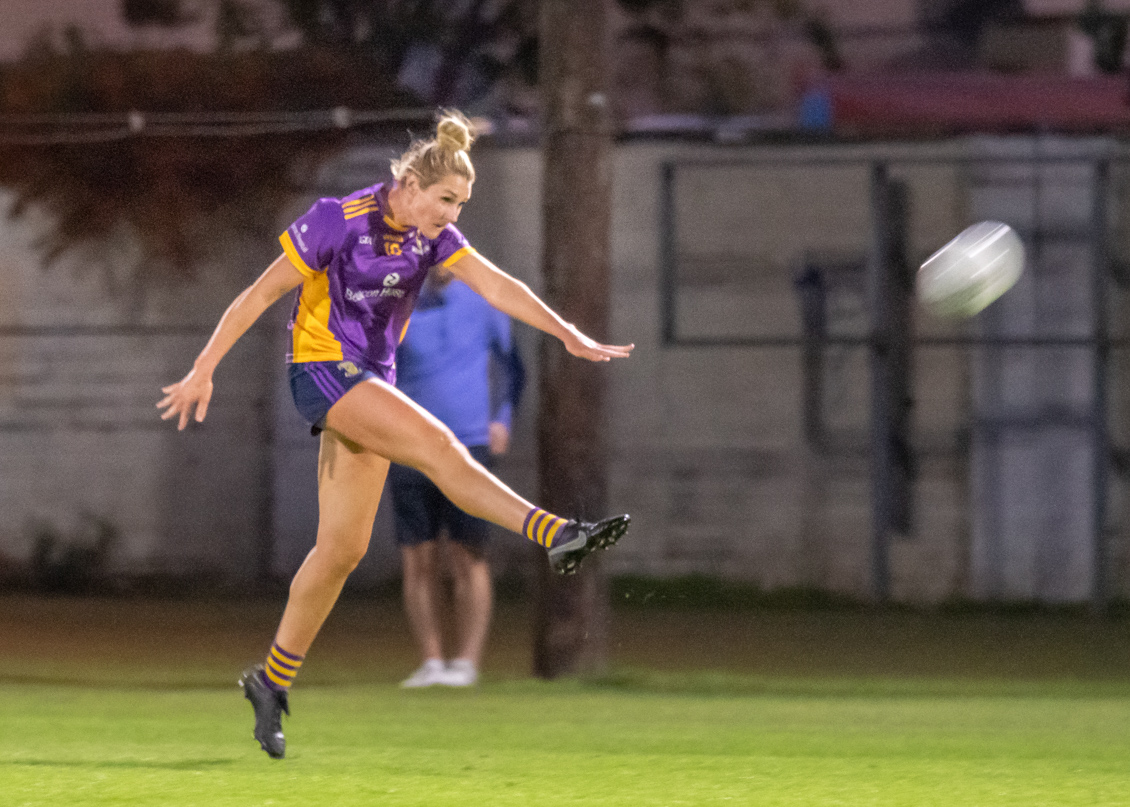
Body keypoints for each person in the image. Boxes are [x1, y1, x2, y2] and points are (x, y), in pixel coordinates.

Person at [156, 110, 633, 760]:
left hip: (368, 381)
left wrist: (568, 333)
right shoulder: (336, 219)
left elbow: (498, 285)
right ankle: (558, 535)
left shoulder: (432, 240)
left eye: (461, 203)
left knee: (341, 552)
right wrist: (203, 369)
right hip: (322, 372)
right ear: (409, 185)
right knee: (439, 447)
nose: (452, 213)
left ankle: (270, 681)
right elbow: (259, 294)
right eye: (446, 199)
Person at [391, 264, 525, 688]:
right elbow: (377, 373)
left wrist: (502, 418)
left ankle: (466, 663)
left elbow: (515, 369)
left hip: (469, 444)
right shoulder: (398, 305)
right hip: (410, 448)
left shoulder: (484, 301)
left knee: (469, 555)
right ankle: (431, 662)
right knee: (418, 558)